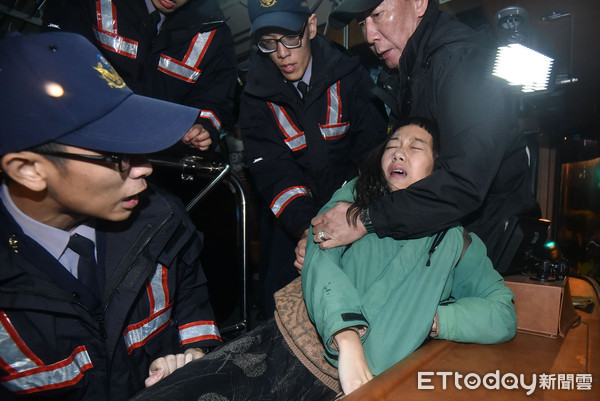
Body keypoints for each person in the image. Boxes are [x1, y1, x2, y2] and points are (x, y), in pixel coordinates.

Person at [128, 118, 517, 400]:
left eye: (416, 147)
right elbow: (320, 254)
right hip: (292, 345)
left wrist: (432, 319)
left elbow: (502, 314)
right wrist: (346, 339)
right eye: (393, 144)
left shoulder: (455, 241)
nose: (399, 151)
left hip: (361, 385)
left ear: (439, 168)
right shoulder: (358, 197)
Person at [0, 31, 222, 401]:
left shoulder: (162, 220)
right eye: (116, 155)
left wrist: (196, 359)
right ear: (29, 170)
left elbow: (191, 302)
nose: (145, 169)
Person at [301, 0, 540, 270]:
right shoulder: (406, 74)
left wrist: (364, 219)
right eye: (362, 23)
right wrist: (326, 229)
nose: (368, 36)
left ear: (419, 3)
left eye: (377, 15)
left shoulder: (463, 62)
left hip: (489, 253)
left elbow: (463, 184)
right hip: (443, 246)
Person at [238, 0, 388, 315]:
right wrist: (309, 229)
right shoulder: (254, 96)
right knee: (281, 305)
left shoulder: (349, 75)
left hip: (352, 208)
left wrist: (352, 212)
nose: (282, 53)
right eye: (268, 43)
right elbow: (274, 173)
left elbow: (372, 152)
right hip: (293, 220)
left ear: (310, 27)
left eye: (290, 38)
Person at [43, 0, 238, 153]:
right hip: (79, 138)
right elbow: (57, 59)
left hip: (159, 158)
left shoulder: (214, 34)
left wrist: (202, 128)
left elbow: (215, 100)